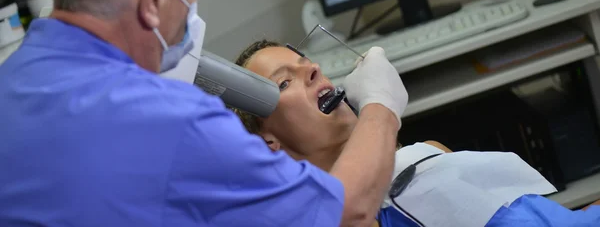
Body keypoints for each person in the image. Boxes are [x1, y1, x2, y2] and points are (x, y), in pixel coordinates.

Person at [0, 0, 409, 227]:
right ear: (155, 3)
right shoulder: (171, 123)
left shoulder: (11, 86)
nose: (193, 9)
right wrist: (382, 106)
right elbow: (347, 211)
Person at [231, 39, 600, 227]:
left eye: (306, 62)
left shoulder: (425, 157)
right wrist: (381, 107)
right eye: (283, 82)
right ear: (269, 144)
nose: (313, 70)